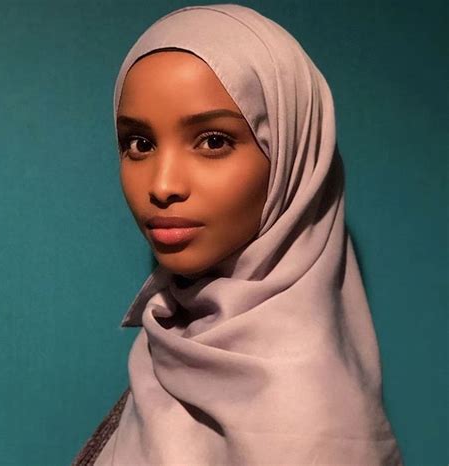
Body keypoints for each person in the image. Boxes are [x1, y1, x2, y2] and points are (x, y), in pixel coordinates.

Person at [73, 4, 403, 465]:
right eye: (140, 144)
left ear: (292, 160)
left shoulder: (309, 422)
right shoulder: (175, 338)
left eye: (212, 141)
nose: (163, 185)